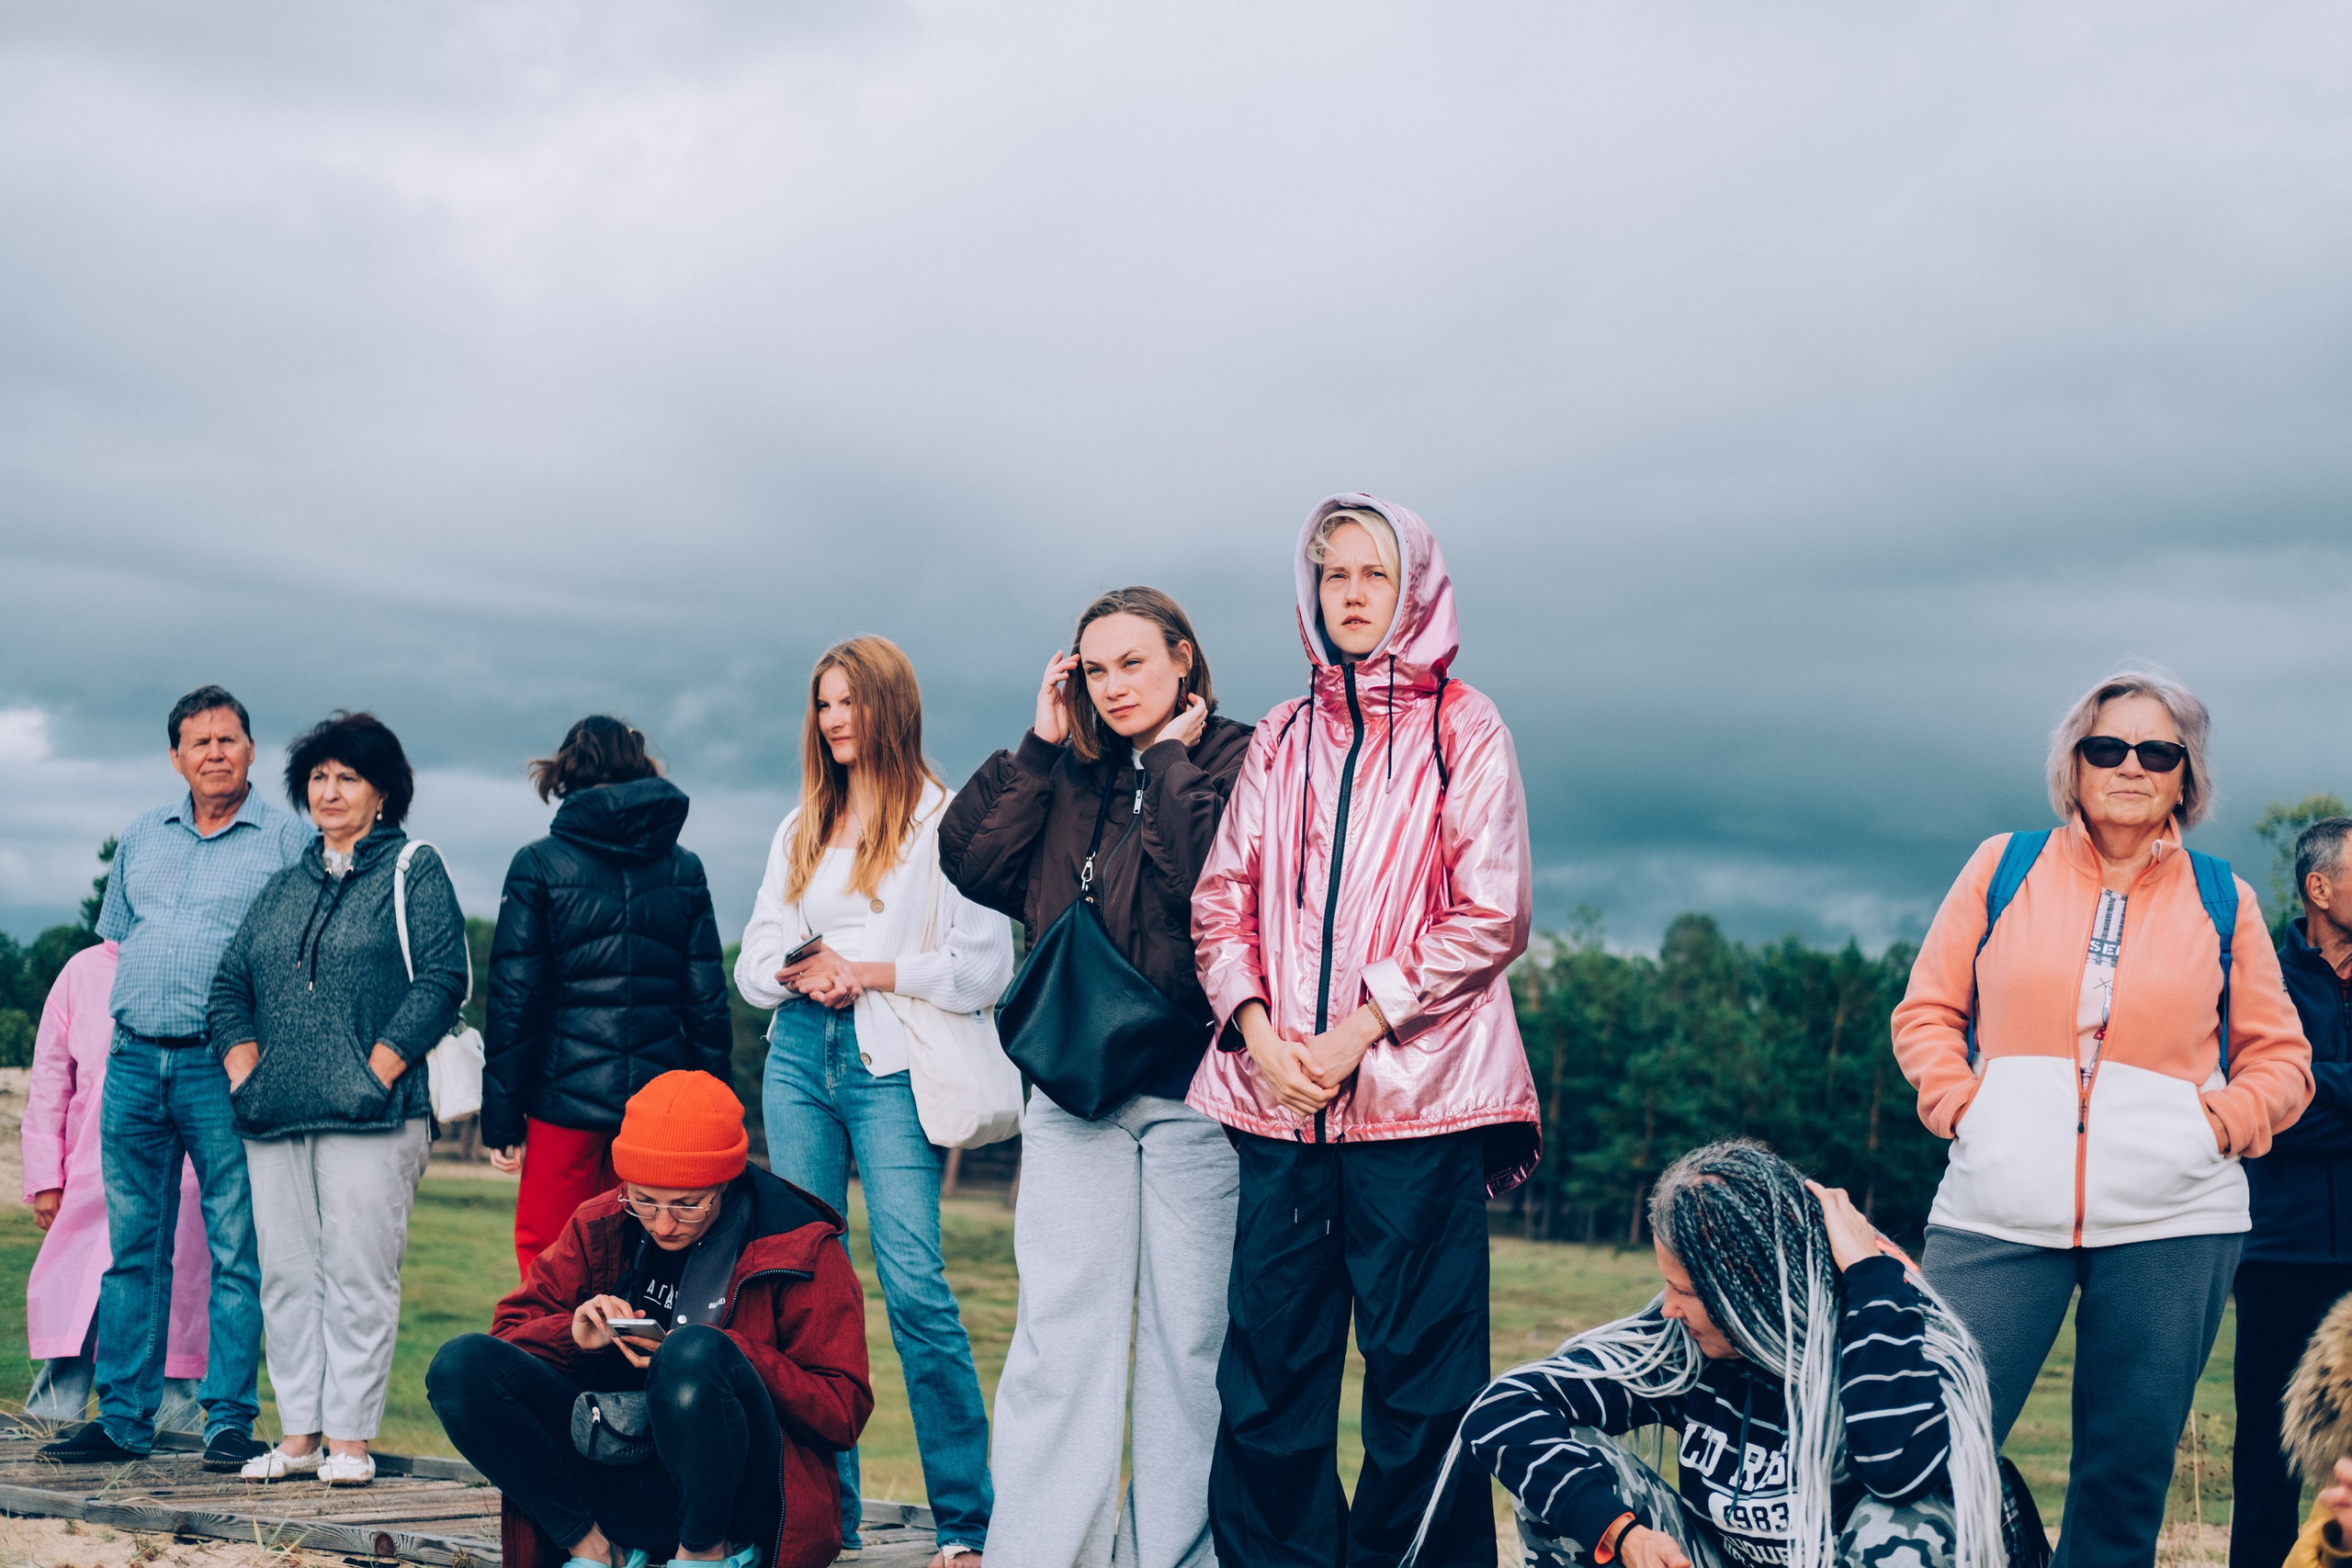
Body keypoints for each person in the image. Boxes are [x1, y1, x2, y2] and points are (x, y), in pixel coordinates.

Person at [1890, 668, 2312, 1567]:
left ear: (2183, 776)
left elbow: (2281, 1061)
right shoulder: (2002, 866)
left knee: (2124, 1476)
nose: (2129, 765)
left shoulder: (2220, 895)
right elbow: (1926, 1012)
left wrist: (2213, 1127)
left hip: (2174, 1220)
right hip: (1995, 1208)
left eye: (2156, 751)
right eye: (2106, 747)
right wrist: (1964, 1108)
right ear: (2073, 765)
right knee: (1931, 1452)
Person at [1188, 494, 1539, 1568]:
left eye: (1372, 575)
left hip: (1419, 1108)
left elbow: (1493, 911)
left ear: (1415, 590)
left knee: (1422, 1384)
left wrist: (1354, 1033)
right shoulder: (1284, 734)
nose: (1350, 594)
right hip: (1278, 1106)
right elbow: (1219, 902)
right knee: (1266, 1379)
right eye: (1333, 575)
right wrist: (1256, 1031)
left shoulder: (1463, 726)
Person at [941, 588, 1252, 1568]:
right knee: (1057, 1335)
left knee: (1187, 1346)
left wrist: (1167, 761)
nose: (1114, 685)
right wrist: (1037, 748)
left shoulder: (1242, 757)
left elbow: (1207, 877)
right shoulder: (1065, 769)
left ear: (1183, 662)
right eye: (1094, 667)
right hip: (1073, 1087)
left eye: (1133, 662)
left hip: (1195, 1091)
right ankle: (1040, 1552)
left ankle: (1176, 1555)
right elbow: (974, 864)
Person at [737, 637, 1013, 1567]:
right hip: (796, 1059)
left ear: (890, 705)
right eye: (823, 704)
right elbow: (751, 968)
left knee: (915, 1288)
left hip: (888, 1059)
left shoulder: (944, 822)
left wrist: (868, 969)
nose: (836, 719)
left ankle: (968, 1523)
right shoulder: (798, 825)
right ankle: (825, 1519)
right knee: (805, 1293)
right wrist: (804, 970)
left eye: (851, 701)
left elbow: (986, 966)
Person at [1450, 1141, 2011, 1568]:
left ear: (1750, 1293)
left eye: (1688, 1292)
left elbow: (1902, 1474)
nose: (1668, 1309)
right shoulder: (1685, 1349)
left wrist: (1869, 1275)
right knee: (1565, 1480)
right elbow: (1503, 1408)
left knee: (1908, 1523)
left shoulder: (1880, 1338)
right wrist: (1625, 1533)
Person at [427, 1070, 872, 1568]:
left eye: (687, 1205)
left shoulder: (800, 1244)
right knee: (458, 1367)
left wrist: (730, 1354)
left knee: (693, 1354)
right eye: (644, 1200)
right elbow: (503, 1349)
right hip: (614, 1475)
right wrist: (574, 1335)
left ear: (725, 1180)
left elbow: (843, 1412)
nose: (662, 1224)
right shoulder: (603, 1220)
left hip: (737, 1501)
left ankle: (704, 1554)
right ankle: (596, 1549)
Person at [40, 685, 312, 1471]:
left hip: (220, 1065)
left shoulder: (286, 841)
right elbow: (122, 940)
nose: (215, 753)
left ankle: (227, 1421)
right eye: (200, 742)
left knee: (235, 1246)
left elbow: (298, 959)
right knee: (133, 1249)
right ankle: (122, 1418)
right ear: (176, 758)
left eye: (229, 739)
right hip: (133, 1060)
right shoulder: (141, 835)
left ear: (253, 751)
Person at [207, 711, 468, 1486]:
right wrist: (247, 1071)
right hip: (276, 1115)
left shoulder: (413, 869)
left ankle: (350, 1441)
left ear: (382, 791)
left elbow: (444, 978)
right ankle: (299, 1437)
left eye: (346, 776)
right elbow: (229, 986)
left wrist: (375, 1069)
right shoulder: (283, 885)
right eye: (317, 776)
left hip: (374, 1114)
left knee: (358, 1275)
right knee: (287, 1275)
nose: (329, 789)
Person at [483, 716, 733, 1275]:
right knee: (649, 1261)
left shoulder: (538, 864)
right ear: (643, 772)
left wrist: (501, 1117)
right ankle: (635, 1364)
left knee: (550, 1264)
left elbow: (513, 1001)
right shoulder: (684, 869)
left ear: (563, 776)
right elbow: (707, 1004)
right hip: (657, 1104)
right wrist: (718, 1113)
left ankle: (548, 1361)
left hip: (559, 1101)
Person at [20, 939, 208, 1431]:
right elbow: (51, 1080)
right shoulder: (82, 972)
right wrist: (46, 1178)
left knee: (176, 1300)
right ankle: (52, 1417)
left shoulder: (201, 963)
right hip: (90, 1174)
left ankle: (176, 1429)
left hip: (183, 1176)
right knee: (82, 1304)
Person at [2235, 814, 2352, 1566]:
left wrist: (2314, 1093)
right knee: (2268, 1462)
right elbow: (2266, 1107)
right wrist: (2289, 1102)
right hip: (2278, 1254)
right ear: (2321, 887)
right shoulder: (2259, 981)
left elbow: (2302, 1099)